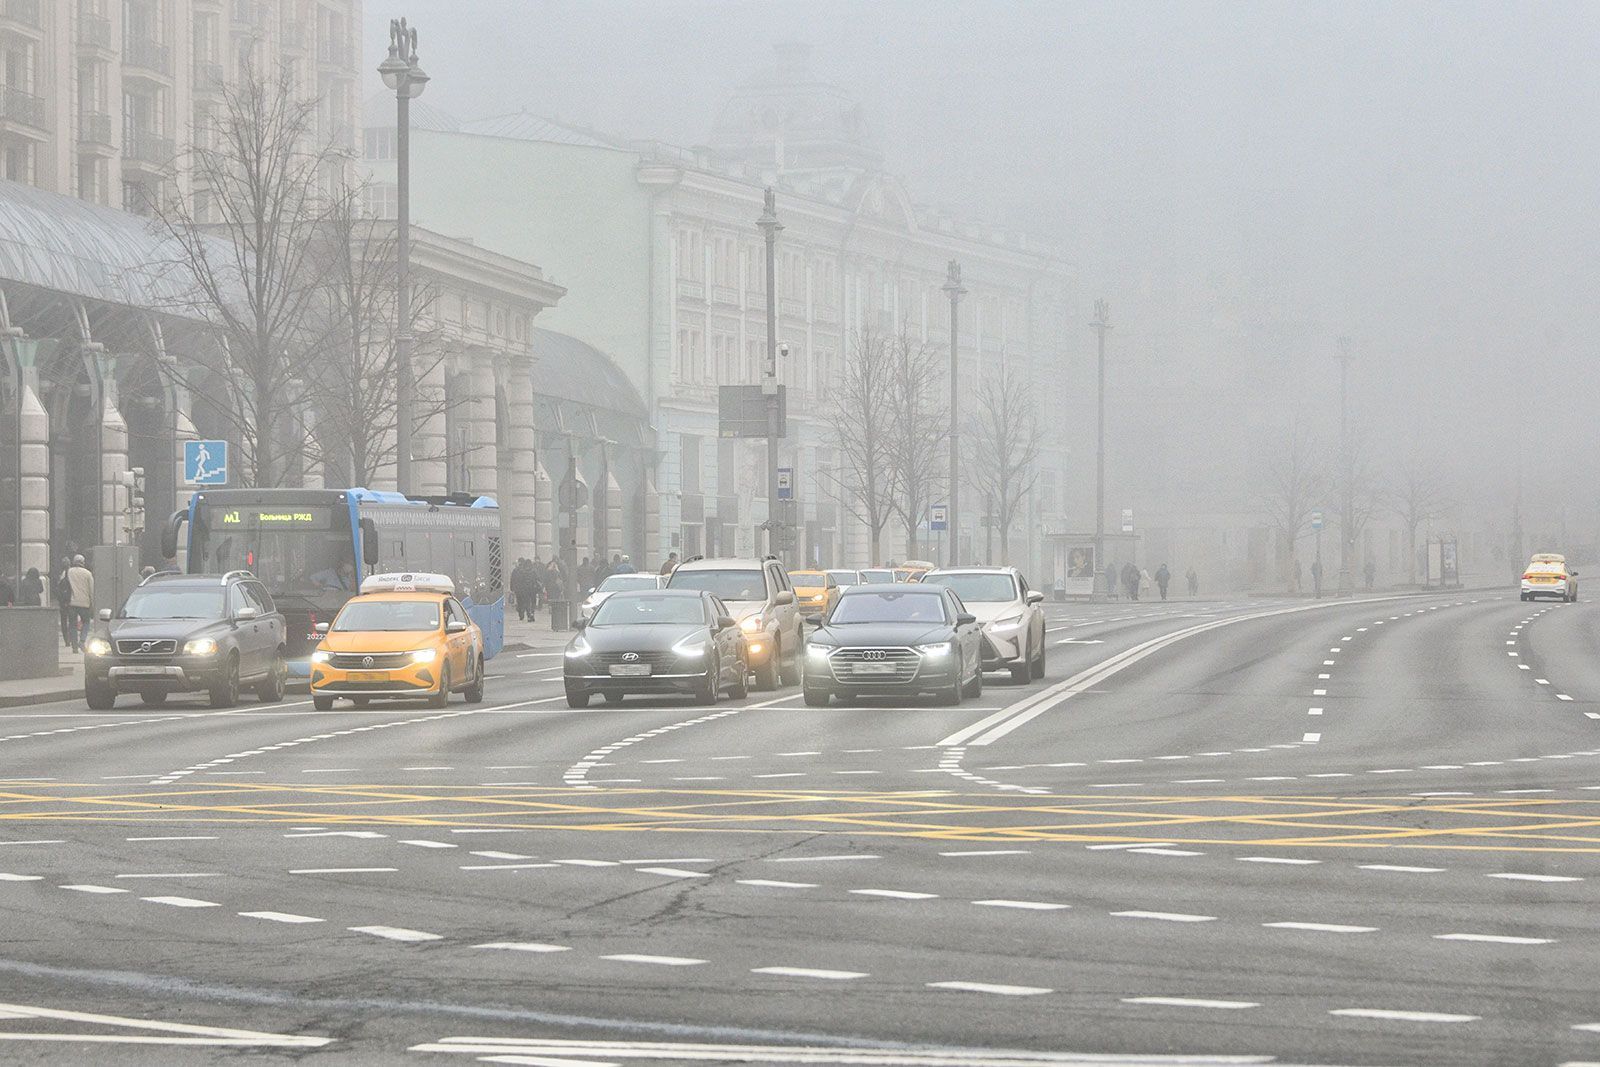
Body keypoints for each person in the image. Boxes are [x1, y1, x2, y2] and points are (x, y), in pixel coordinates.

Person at [66, 554, 94, 652]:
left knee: (72, 624)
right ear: (83, 562)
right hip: (84, 603)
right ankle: (82, 641)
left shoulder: (69, 571)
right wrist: (92, 603)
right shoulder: (88, 574)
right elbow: (91, 590)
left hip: (72, 602)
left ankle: (74, 646)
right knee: (86, 622)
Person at [54, 556, 73, 644]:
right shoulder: (72, 573)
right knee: (72, 620)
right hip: (71, 600)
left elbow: (58, 588)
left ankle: (66, 639)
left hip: (63, 601)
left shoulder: (61, 574)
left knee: (64, 620)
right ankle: (70, 637)